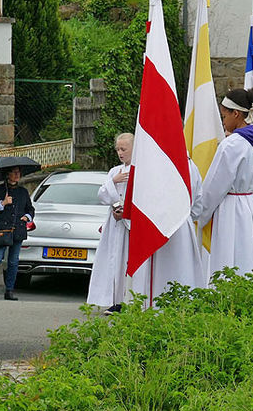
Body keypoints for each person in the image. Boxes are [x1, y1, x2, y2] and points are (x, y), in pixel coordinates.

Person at [190, 86, 253, 282]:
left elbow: (216, 184)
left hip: (231, 208)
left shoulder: (232, 144)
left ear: (236, 114)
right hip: (251, 204)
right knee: (249, 256)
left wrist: (200, 213)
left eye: (224, 115)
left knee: (229, 256)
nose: (223, 120)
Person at [128, 158, 205, 305]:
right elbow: (198, 203)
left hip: (158, 225)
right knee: (182, 275)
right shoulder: (190, 164)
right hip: (183, 224)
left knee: (159, 282)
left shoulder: (154, 159)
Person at [86, 133, 134, 311]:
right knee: (114, 261)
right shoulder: (115, 171)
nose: (120, 153)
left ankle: (129, 300)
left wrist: (126, 211)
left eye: (124, 149)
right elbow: (102, 194)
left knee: (127, 261)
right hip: (115, 224)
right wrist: (114, 186)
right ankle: (114, 300)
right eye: (118, 149)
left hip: (130, 223)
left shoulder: (140, 169)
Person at [0, 167, 35, 300]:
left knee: (13, 261)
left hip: (18, 229)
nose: (17, 175)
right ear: (7, 174)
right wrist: (3, 203)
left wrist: (27, 217)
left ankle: (9, 291)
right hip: (3, 229)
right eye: (14, 172)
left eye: (18, 172)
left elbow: (30, 209)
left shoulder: (23, 191)